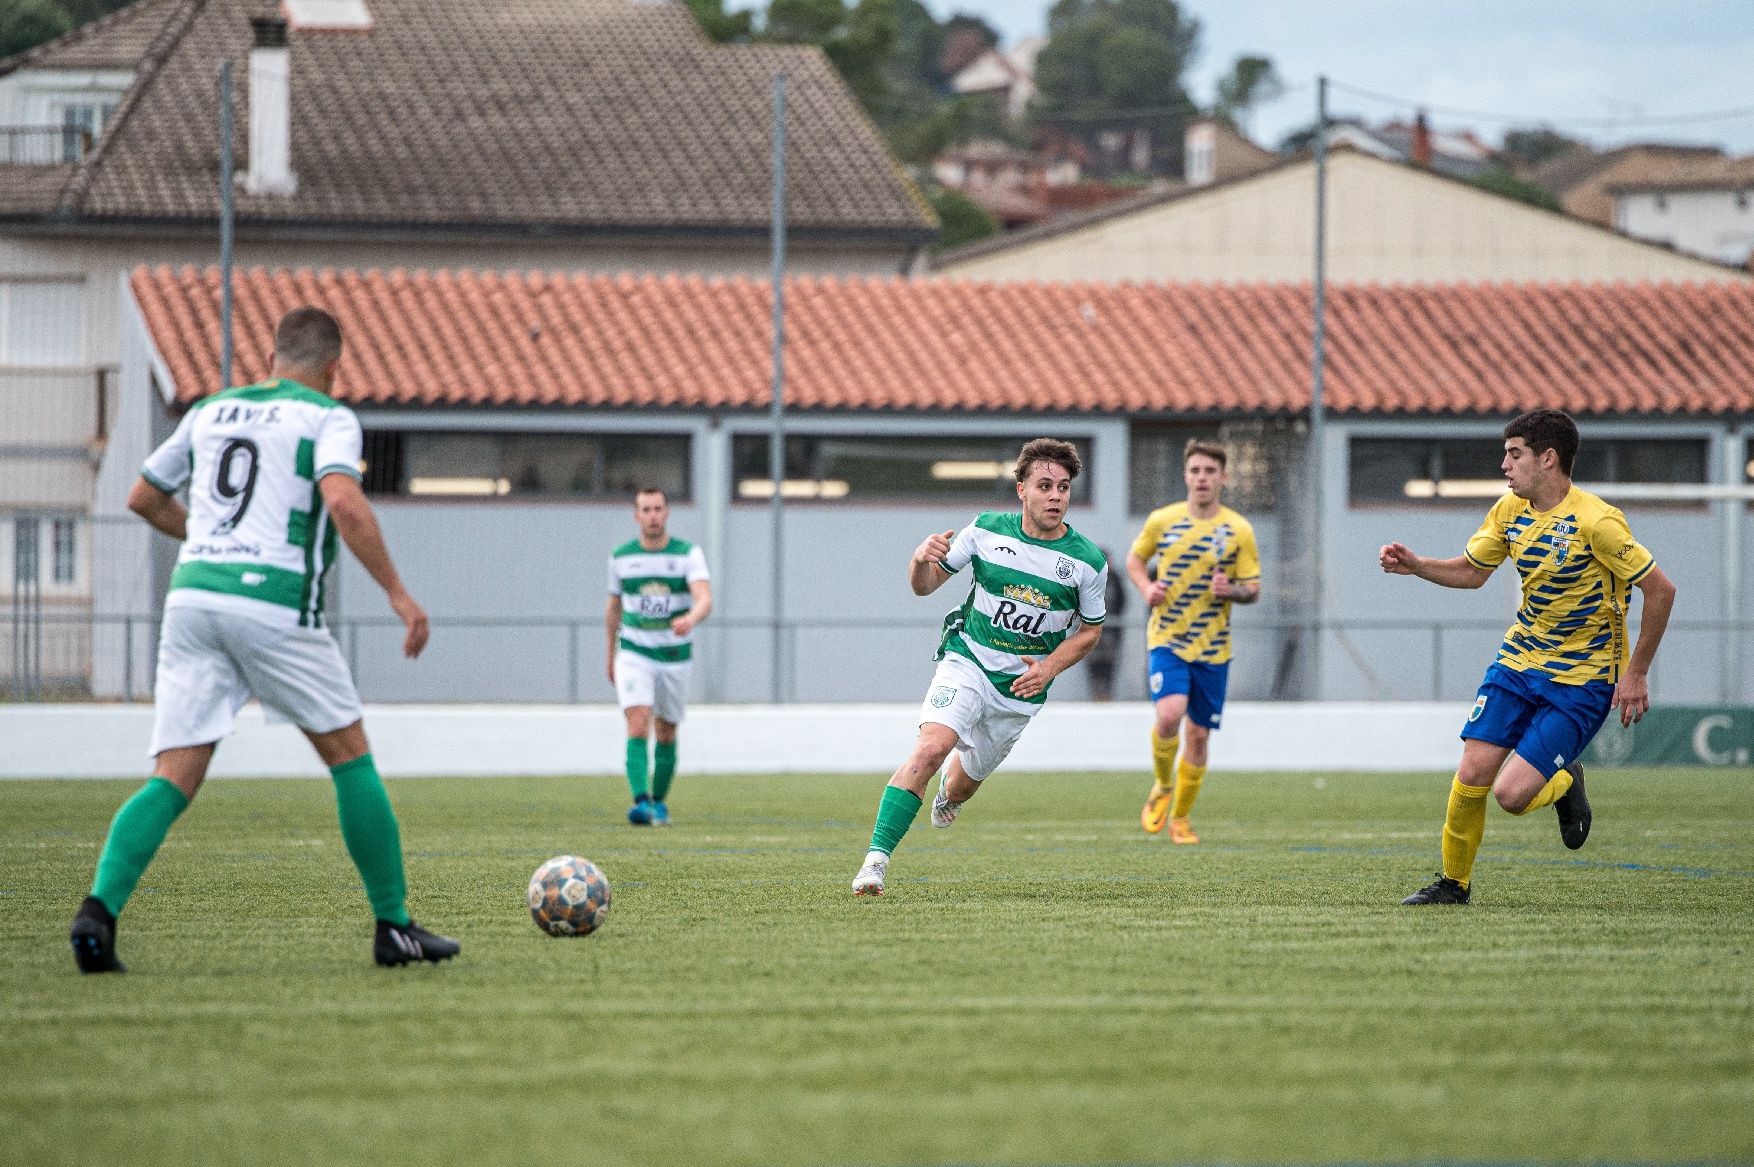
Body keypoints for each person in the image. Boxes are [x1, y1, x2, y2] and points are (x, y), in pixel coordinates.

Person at [69, 307, 458, 973]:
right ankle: (393, 926)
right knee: (349, 756)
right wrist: (398, 591)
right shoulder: (327, 417)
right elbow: (342, 501)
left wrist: (207, 538)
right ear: (334, 369)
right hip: (272, 601)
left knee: (174, 774)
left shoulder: (212, 410)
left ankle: (97, 913)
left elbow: (142, 495)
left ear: (271, 358)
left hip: (193, 599)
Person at [1382, 409, 1677, 905]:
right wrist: (1418, 567)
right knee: (1471, 774)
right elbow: (1473, 572)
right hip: (1519, 662)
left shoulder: (1597, 522)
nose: (1504, 464)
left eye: (1514, 454)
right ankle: (1453, 886)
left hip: (1582, 679)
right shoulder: (1508, 511)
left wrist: (1637, 672)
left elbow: (1662, 590)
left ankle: (1565, 782)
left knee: (1511, 796)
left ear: (1548, 458)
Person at [851, 438, 1108, 896]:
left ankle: (950, 795)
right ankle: (875, 861)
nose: (1055, 497)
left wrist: (1049, 667)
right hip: (968, 660)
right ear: (1021, 491)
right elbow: (924, 587)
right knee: (931, 749)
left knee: (963, 786)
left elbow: (1090, 631)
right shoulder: (986, 530)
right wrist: (918, 559)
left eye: (1064, 488)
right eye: (1045, 486)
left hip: (1020, 690)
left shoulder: (1087, 562)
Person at [1128, 439, 1260, 844]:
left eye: (1210, 471)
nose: (1202, 478)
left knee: (1198, 736)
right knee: (1169, 715)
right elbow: (1135, 560)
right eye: (1195, 470)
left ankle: (1181, 819)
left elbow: (1253, 587)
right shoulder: (1162, 521)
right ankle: (1162, 785)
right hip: (1167, 638)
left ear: (1223, 477)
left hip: (1213, 647)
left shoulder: (1238, 529)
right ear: (1186, 476)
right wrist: (1147, 587)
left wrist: (1231, 589)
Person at [606, 488, 712, 826]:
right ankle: (641, 802)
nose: (652, 515)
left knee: (666, 731)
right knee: (637, 721)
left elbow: (704, 598)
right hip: (634, 653)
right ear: (636, 515)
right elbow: (613, 608)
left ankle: (658, 801)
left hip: (674, 656)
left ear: (666, 513)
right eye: (645, 509)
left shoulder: (687, 554)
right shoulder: (621, 557)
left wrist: (690, 618)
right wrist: (611, 653)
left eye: (658, 508)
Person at [1082, 548, 1127, 700]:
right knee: (1093, 664)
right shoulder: (1087, 578)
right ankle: (1096, 695)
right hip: (1088, 630)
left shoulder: (1115, 579)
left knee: (1109, 664)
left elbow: (1122, 602)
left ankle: (1107, 695)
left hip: (1110, 632)